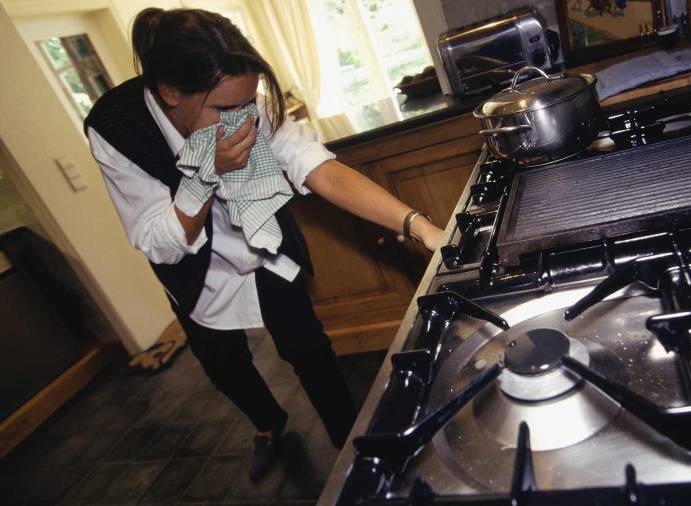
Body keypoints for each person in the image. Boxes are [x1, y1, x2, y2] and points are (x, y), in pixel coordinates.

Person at [84, 7, 444, 481]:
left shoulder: (241, 99)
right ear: (171, 93)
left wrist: (419, 225)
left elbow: (317, 168)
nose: (241, 122)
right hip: (195, 270)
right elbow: (160, 242)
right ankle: (268, 423)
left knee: (310, 350)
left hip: (263, 244)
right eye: (224, 110)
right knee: (225, 367)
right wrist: (205, 174)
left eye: (247, 104)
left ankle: (351, 449)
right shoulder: (114, 128)